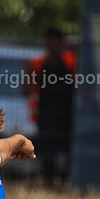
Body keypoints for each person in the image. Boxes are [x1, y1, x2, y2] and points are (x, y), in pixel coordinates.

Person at [28, 27, 76, 186]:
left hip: (66, 114)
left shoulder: (70, 62)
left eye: (57, 42)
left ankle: (65, 179)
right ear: (46, 44)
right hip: (46, 114)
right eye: (50, 42)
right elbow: (27, 90)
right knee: (47, 149)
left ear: (61, 43)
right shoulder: (38, 64)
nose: (53, 46)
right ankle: (48, 180)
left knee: (66, 148)